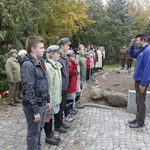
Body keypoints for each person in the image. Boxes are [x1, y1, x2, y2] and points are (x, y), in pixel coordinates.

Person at [21, 35, 50, 150]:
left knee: (39, 129)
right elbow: (28, 90)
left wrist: (47, 100)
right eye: (41, 48)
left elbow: (45, 82)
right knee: (33, 132)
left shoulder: (40, 62)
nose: (44, 50)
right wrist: (34, 111)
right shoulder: (28, 65)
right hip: (34, 105)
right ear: (33, 49)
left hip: (42, 103)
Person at [128, 34, 150, 128]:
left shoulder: (148, 51)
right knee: (138, 100)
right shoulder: (142, 50)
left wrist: (143, 83)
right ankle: (137, 118)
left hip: (142, 81)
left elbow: (147, 69)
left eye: (137, 40)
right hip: (138, 80)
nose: (136, 42)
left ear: (143, 40)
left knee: (141, 101)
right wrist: (132, 45)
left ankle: (140, 122)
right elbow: (132, 54)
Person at [44, 45, 62, 145]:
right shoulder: (48, 66)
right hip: (51, 97)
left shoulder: (55, 64)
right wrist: (48, 100)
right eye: (57, 53)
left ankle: (50, 134)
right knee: (48, 116)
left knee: (51, 116)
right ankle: (48, 136)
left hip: (56, 96)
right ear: (51, 54)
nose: (59, 55)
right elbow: (49, 85)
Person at [54, 37, 71, 133]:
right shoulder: (59, 57)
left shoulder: (63, 56)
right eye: (67, 45)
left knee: (63, 105)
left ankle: (60, 121)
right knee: (59, 106)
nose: (68, 47)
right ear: (62, 46)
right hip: (60, 86)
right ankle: (57, 124)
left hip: (64, 85)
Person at [65, 50, 77, 122]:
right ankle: (67, 114)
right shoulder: (68, 64)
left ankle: (69, 113)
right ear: (68, 57)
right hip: (69, 86)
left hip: (72, 84)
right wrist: (73, 64)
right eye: (72, 56)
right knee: (68, 100)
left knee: (71, 99)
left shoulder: (71, 63)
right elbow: (70, 73)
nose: (73, 57)